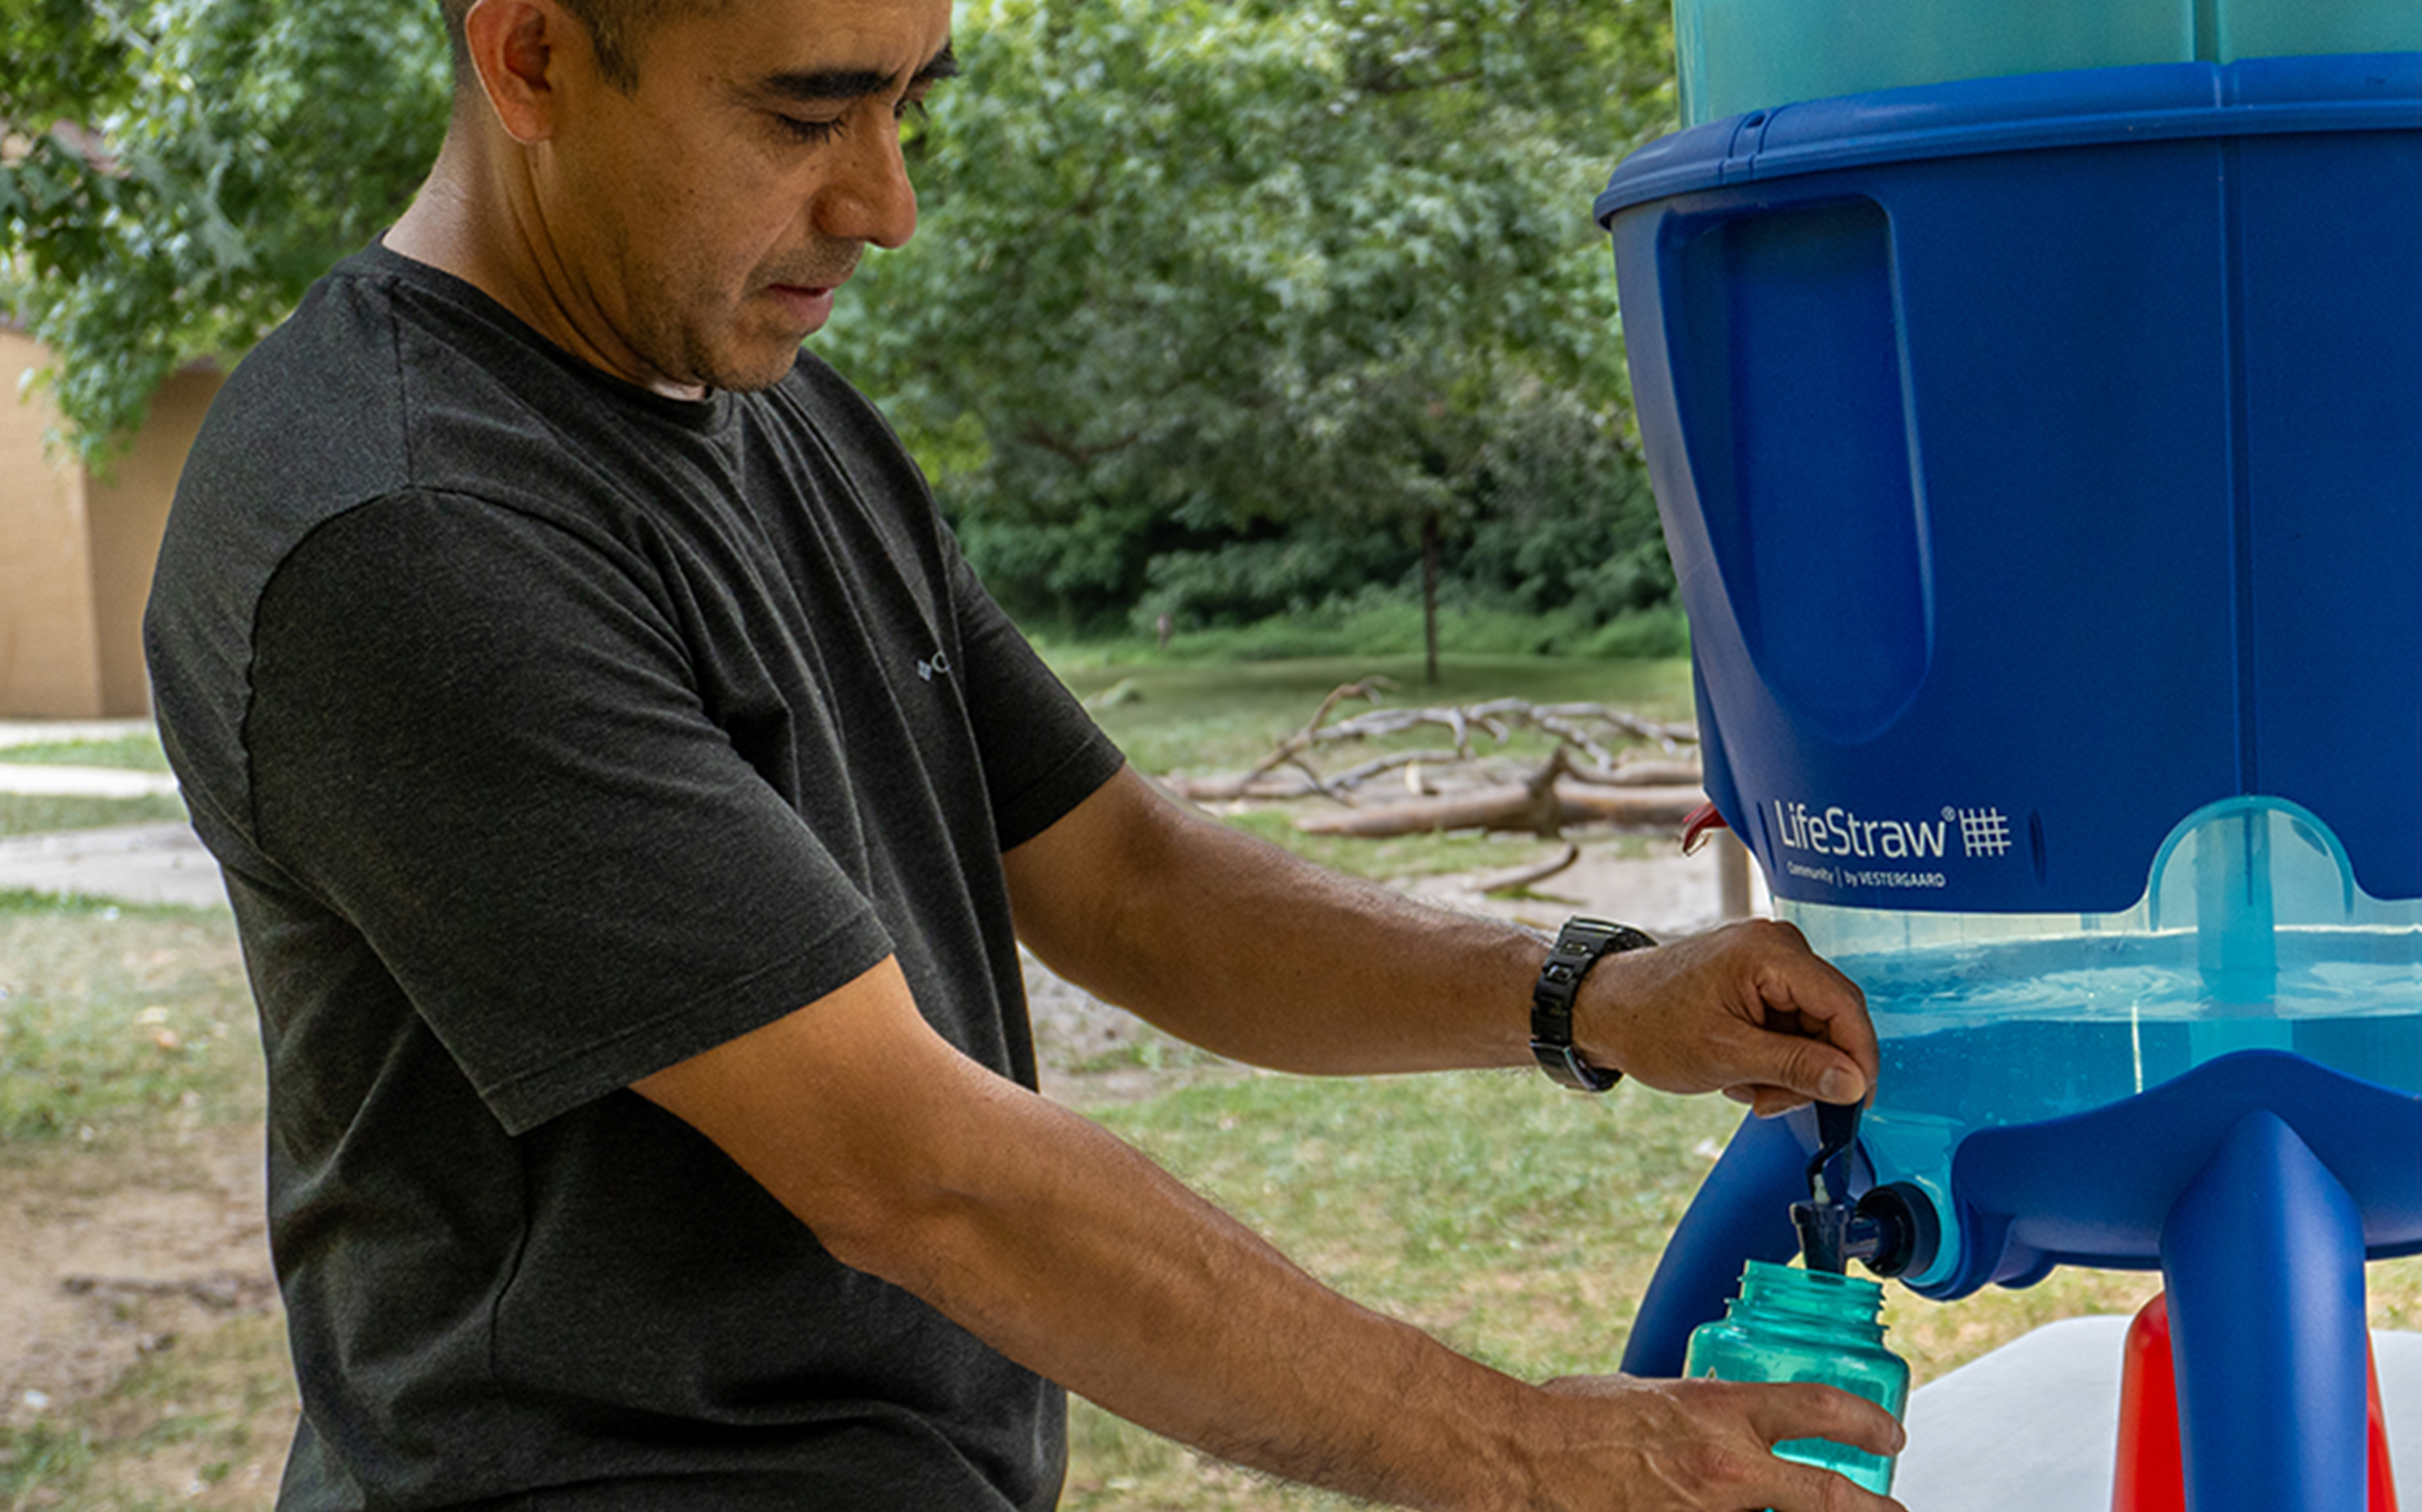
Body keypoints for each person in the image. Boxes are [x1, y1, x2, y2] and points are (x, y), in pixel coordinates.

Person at [141, 1, 1907, 1507]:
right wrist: (1532, 1456)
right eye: (807, 109)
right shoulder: (407, 524)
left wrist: (1594, 991)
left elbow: (1127, 881)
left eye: (910, 103)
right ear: (531, 58)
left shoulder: (774, 409)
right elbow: (918, 1173)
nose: (884, 203)